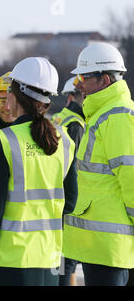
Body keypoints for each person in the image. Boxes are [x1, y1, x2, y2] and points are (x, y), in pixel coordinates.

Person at [0, 57, 77, 286]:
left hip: (10, 261)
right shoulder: (64, 140)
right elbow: (71, 202)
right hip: (49, 258)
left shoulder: (5, 141)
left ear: (15, 95)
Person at [63, 42, 134, 286]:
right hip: (99, 244)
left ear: (104, 80)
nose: (79, 84)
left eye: (84, 76)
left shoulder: (117, 116)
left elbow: (131, 175)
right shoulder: (103, 114)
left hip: (110, 245)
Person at [51, 76, 85, 286]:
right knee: (67, 261)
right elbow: (77, 168)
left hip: (56, 198)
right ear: (73, 98)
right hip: (70, 202)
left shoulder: (57, 119)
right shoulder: (76, 125)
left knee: (61, 262)